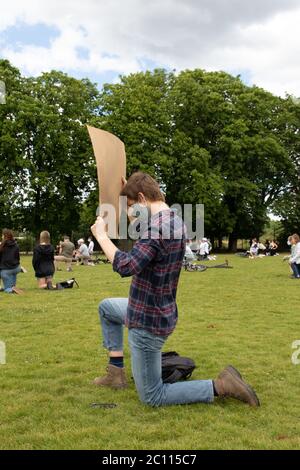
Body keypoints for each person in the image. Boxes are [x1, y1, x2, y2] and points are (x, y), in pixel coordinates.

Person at [91, 172, 260, 408]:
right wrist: (128, 190)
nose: (129, 214)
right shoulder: (174, 220)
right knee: (107, 308)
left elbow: (126, 265)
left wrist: (100, 236)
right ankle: (115, 373)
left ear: (141, 198)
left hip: (147, 322)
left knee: (152, 396)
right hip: (154, 309)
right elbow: (146, 235)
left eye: (130, 207)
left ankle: (221, 385)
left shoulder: (157, 230)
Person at [0, 229, 23, 294]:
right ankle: (13, 287)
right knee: (12, 285)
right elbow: (18, 258)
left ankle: (10, 289)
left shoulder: (2, 246)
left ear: (4, 236)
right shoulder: (16, 245)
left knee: (7, 288)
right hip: (16, 268)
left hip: (6, 270)